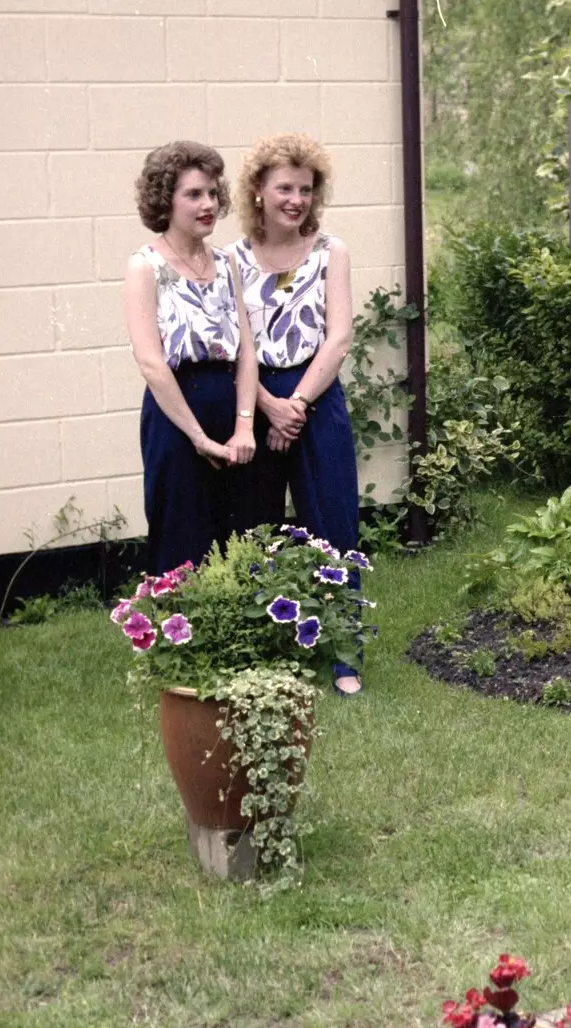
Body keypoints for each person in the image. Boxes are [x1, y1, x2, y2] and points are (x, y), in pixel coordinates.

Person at [228, 133, 365, 697]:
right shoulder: (230, 261)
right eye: (284, 187)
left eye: (306, 189)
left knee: (333, 525)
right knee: (252, 527)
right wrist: (266, 406)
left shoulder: (331, 252)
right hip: (253, 401)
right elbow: (236, 344)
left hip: (315, 400)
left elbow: (338, 338)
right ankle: (261, 647)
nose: (295, 199)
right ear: (257, 191)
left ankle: (343, 656)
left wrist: (298, 406)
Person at [124, 141, 259, 577]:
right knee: (182, 540)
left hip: (229, 410)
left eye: (212, 193)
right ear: (166, 200)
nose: (208, 205)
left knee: (237, 540)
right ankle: (178, 641)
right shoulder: (145, 267)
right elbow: (151, 363)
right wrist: (199, 438)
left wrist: (244, 426)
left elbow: (246, 350)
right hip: (177, 419)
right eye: (193, 194)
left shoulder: (227, 263)